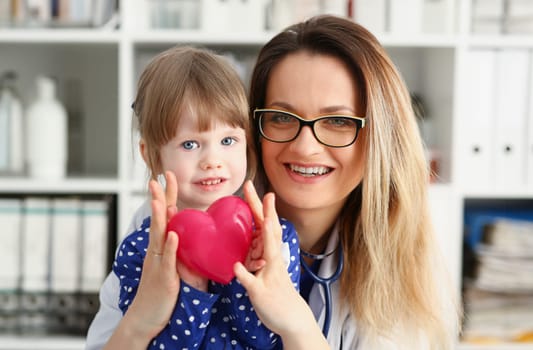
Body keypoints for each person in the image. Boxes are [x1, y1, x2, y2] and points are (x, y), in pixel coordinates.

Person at [86, 15, 461, 350]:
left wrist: (296, 324)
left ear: (380, 137)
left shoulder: (410, 268)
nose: (306, 146)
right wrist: (138, 323)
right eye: (282, 117)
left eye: (338, 122)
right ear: (255, 129)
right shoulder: (170, 223)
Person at [96, 45, 300, 349]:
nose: (212, 160)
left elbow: (267, 339)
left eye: (228, 140)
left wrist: (249, 277)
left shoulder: (275, 238)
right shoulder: (143, 250)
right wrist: (192, 288)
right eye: (190, 145)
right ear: (151, 155)